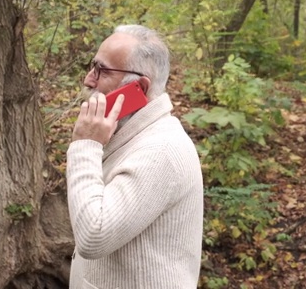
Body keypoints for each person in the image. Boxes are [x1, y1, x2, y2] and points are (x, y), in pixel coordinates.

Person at [66, 25, 204, 289]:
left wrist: (85, 144)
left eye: (102, 71)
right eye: (92, 66)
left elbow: (93, 236)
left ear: (139, 87)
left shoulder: (161, 150)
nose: (88, 79)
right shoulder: (127, 132)